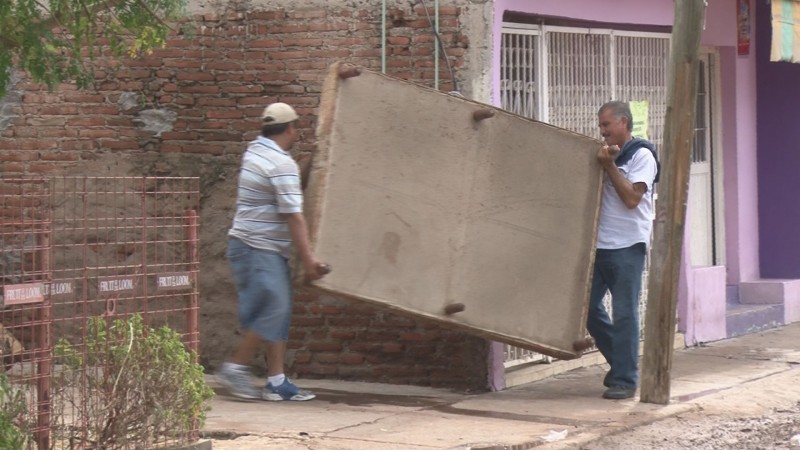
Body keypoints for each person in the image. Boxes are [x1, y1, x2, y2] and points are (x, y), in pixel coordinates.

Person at [217, 102, 328, 401]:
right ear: (291, 128)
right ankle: (234, 367)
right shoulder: (280, 164)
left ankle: (276, 381)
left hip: (256, 246)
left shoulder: (257, 151)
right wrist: (310, 260)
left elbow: (288, 187)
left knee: (278, 310)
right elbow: (294, 214)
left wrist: (310, 162)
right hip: (258, 247)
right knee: (273, 308)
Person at [588, 101, 659, 400]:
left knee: (625, 313)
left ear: (624, 123)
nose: (602, 131)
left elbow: (632, 198)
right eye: (601, 126)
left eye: (607, 125)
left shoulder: (642, 155)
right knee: (586, 310)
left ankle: (626, 381)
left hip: (628, 245)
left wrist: (609, 167)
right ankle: (621, 363)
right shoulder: (605, 153)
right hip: (598, 244)